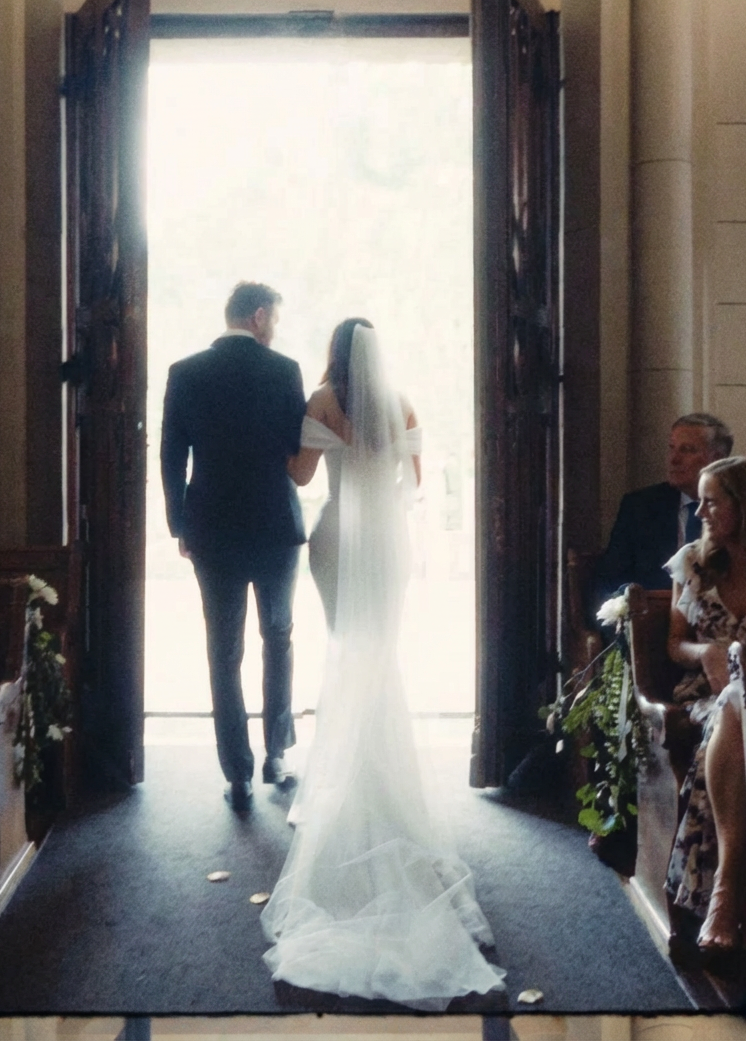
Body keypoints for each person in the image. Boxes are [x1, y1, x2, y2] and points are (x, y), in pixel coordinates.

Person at [259, 318, 505, 1009]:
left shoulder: (322, 401)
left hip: (337, 537)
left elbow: (300, 474)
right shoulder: (402, 404)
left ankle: (341, 772)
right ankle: (380, 773)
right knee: (381, 655)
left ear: (335, 353)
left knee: (346, 650)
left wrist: (292, 446)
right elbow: (413, 482)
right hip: (388, 543)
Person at [160, 282, 307, 811]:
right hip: (274, 526)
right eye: (276, 320)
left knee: (223, 651)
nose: (276, 331)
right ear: (259, 316)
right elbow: (296, 447)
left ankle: (238, 772)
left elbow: (171, 455)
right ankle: (276, 756)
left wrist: (180, 524)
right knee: (278, 637)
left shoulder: (185, 372)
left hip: (212, 528)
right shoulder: (284, 370)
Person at [662, 455, 746, 960]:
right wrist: (706, 652)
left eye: (711, 502)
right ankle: (727, 893)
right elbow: (674, 644)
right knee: (734, 700)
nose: (700, 512)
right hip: (708, 696)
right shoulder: (693, 562)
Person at [597, 413, 733, 600]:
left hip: (715, 612)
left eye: (687, 450)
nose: (673, 459)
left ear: (717, 458)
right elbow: (610, 579)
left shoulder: (738, 508)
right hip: (648, 613)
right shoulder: (640, 506)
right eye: (672, 448)